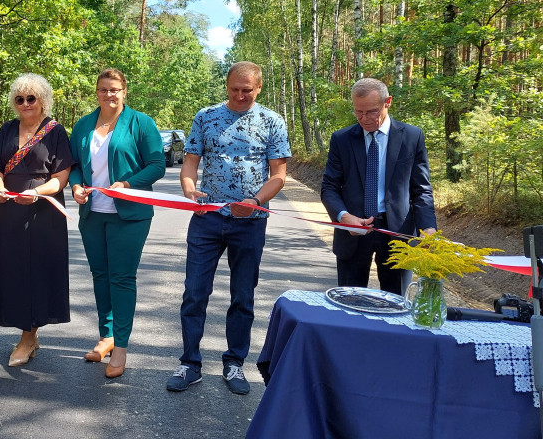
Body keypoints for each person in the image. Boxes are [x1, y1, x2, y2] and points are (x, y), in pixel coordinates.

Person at [166, 61, 290, 396]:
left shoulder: (272, 121)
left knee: (243, 296)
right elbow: (189, 163)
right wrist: (189, 189)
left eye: (246, 90)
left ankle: (234, 362)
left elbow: (278, 175)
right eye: (234, 89)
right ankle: (190, 364)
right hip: (207, 219)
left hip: (249, 223)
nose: (239, 96)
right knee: (194, 292)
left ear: (259, 87)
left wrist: (255, 200)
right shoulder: (205, 117)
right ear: (226, 85)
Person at [69, 68, 165, 379]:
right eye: (103, 89)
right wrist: (75, 186)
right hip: (93, 215)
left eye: (114, 90)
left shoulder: (141, 123)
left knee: (122, 279)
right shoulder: (83, 125)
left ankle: (121, 347)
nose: (109, 95)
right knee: (100, 275)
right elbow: (73, 166)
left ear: (124, 92)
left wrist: (129, 184)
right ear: (96, 92)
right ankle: (105, 337)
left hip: (129, 216)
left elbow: (157, 165)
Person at [0, 74, 74, 367]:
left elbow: (61, 176)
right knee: (15, 270)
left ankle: (28, 336)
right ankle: (26, 332)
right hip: (11, 209)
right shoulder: (7, 128)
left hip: (43, 208)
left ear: (43, 100)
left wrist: (36, 192)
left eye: (31, 98)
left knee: (37, 270)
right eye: (19, 99)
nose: (25, 104)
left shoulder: (55, 131)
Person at [320, 77, 437, 295]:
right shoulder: (342, 139)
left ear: (387, 102)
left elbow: (421, 190)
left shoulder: (412, 137)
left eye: (371, 111)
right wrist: (344, 216)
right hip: (353, 233)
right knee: (348, 303)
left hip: (398, 234)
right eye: (358, 112)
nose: (364, 118)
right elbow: (329, 188)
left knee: (396, 305)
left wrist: (428, 228)